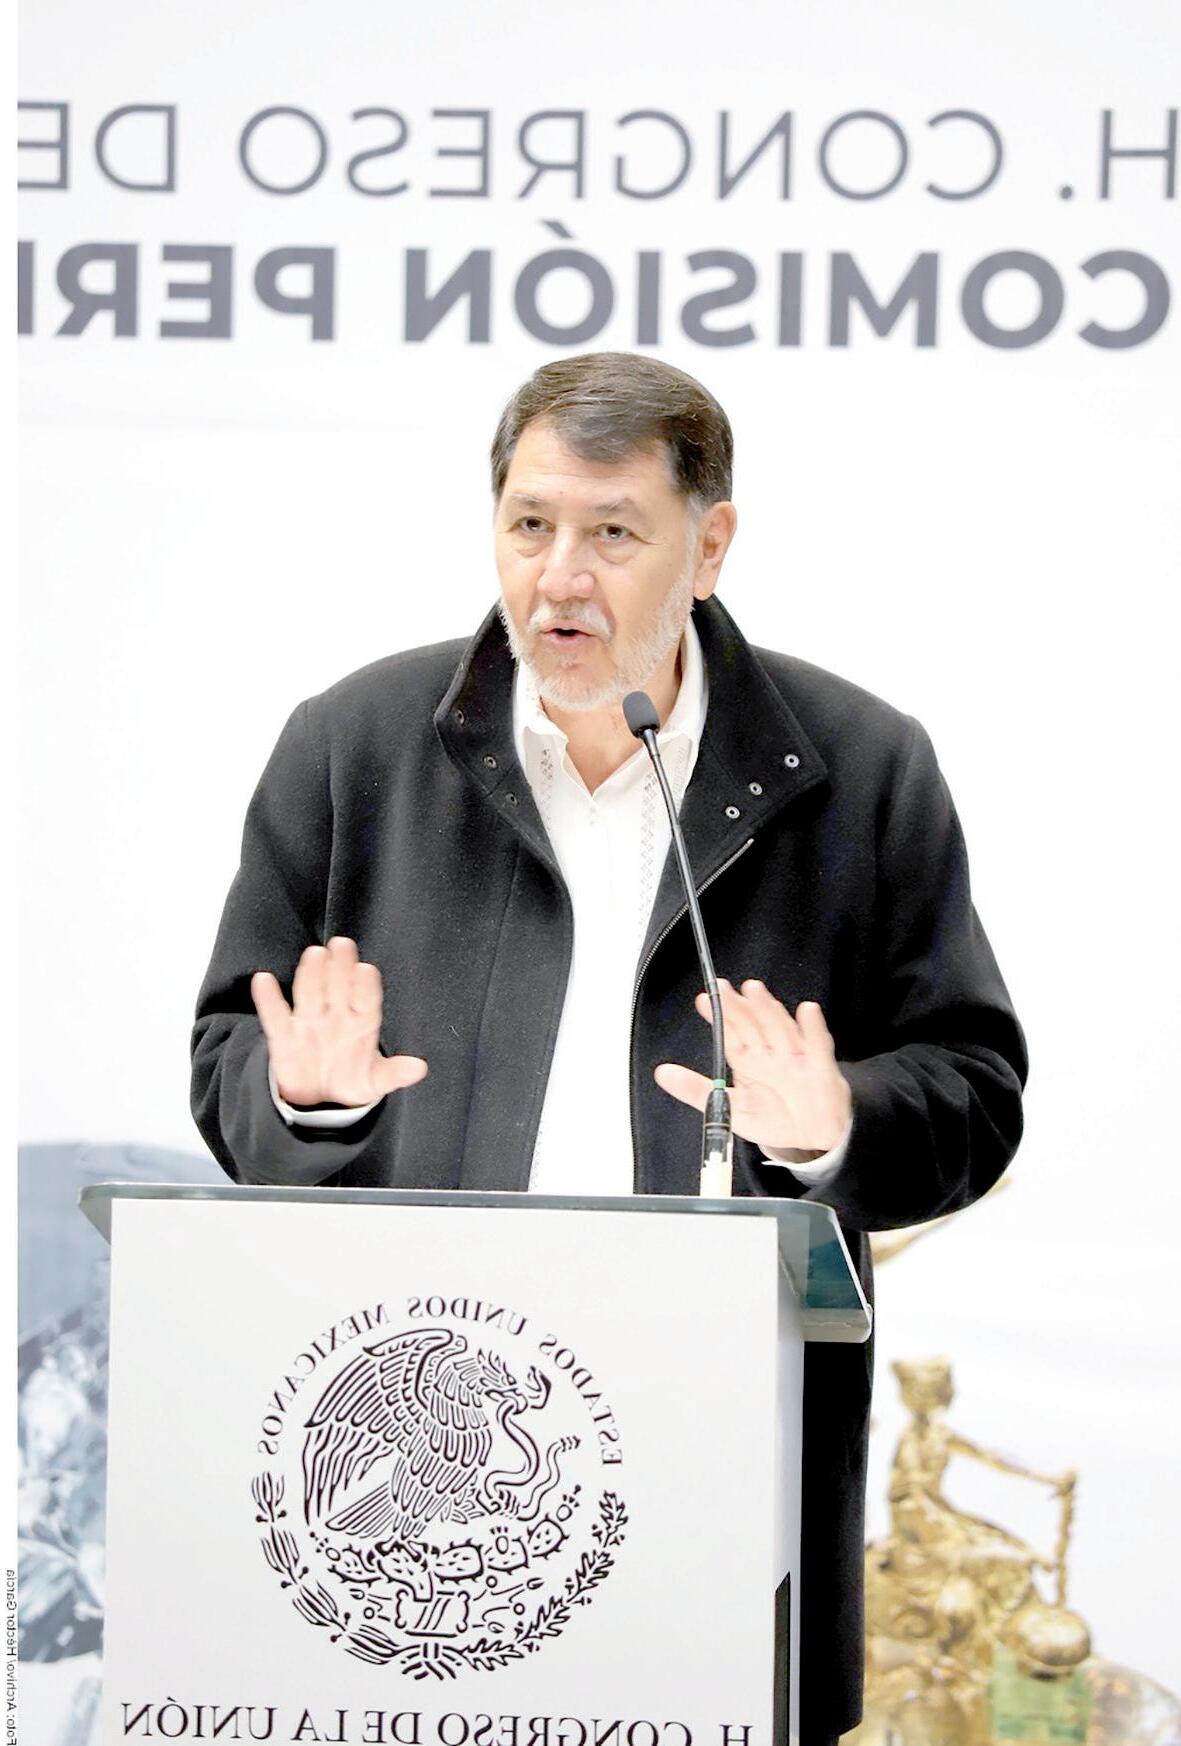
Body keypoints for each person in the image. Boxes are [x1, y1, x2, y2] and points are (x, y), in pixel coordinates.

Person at [191, 351, 1026, 1745]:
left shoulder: (861, 769)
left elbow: (975, 1089)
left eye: (613, 533)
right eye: (530, 524)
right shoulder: (354, 748)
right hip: (422, 1471)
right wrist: (303, 1100)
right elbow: (229, 1053)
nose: (559, 577)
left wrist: (833, 1123)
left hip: (721, 1465)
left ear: (710, 546)